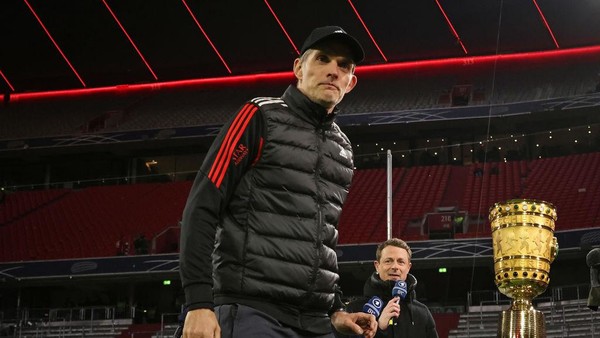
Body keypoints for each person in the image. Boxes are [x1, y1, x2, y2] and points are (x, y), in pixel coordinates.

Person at [179, 26, 377, 338]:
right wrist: (199, 303)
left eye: (343, 66)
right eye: (322, 59)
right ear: (299, 67)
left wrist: (336, 309)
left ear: (351, 82)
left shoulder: (344, 148)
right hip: (253, 312)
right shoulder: (258, 116)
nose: (333, 71)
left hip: (315, 321)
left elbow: (323, 238)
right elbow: (202, 207)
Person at [339, 238, 438, 338]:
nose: (395, 266)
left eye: (401, 262)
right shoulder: (354, 310)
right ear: (377, 266)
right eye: (388, 261)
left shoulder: (422, 313)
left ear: (408, 267)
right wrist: (379, 329)